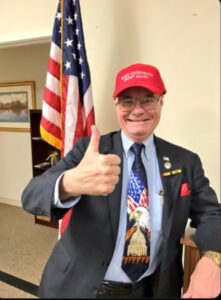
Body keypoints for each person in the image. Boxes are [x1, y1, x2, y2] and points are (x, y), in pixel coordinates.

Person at [22, 63, 221, 299]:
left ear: (161, 102)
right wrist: (71, 182)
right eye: (128, 101)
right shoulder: (90, 152)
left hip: (152, 289)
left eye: (148, 99)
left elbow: (211, 214)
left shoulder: (185, 161)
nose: (138, 110)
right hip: (79, 286)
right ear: (116, 104)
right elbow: (31, 196)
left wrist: (213, 258)